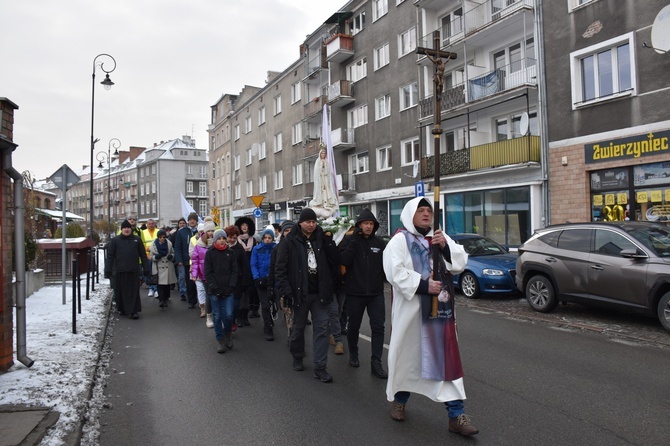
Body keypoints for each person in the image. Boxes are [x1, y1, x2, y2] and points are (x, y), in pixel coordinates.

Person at [382, 196, 478, 436]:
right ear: (409, 214)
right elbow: (394, 272)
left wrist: (444, 246)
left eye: (429, 210)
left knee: (446, 361)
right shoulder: (399, 241)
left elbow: (460, 261)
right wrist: (424, 286)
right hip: (412, 315)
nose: (426, 214)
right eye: (420, 210)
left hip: (440, 317)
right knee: (408, 359)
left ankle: (456, 415)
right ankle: (400, 401)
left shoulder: (438, 237)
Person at [275, 207, 340, 383]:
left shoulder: (321, 239)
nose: (311, 225)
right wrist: (286, 291)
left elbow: (335, 261)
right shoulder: (290, 241)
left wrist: (329, 241)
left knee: (322, 330)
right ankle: (297, 355)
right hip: (299, 294)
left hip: (320, 294)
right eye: (307, 222)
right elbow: (280, 269)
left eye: (313, 222)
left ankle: (320, 367)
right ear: (301, 222)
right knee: (298, 328)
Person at [340, 208, 388, 378]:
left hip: (376, 294)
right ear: (359, 225)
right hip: (355, 293)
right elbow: (344, 260)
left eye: (371, 224)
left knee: (378, 327)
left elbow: (387, 266)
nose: (368, 226)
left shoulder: (380, 243)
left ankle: (376, 363)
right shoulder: (350, 240)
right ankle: (353, 354)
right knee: (353, 326)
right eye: (365, 223)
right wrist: (354, 240)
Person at [105, 219, 148, 320]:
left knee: (133, 292)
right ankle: (123, 308)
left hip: (133, 270)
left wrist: (146, 268)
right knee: (121, 291)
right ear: (121, 230)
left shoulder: (137, 239)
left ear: (131, 229)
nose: (126, 230)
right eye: (124, 228)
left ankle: (134, 311)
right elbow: (110, 256)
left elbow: (143, 255)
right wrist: (108, 270)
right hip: (120, 270)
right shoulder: (115, 241)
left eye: (128, 228)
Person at [204, 229, 238, 353]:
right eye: (219, 238)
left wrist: (231, 286)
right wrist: (214, 288)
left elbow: (235, 270)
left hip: (228, 289)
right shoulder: (210, 253)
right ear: (215, 240)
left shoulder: (230, 252)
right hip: (215, 290)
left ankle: (228, 334)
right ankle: (220, 340)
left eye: (223, 238)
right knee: (217, 316)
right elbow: (207, 272)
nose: (222, 240)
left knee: (228, 315)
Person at [268, 220, 295, 342]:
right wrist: (271, 287)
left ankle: (296, 338)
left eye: (291, 230)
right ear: (283, 233)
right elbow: (273, 268)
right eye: (286, 231)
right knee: (288, 314)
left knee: (297, 316)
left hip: (299, 286)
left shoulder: (300, 246)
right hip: (284, 286)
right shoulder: (277, 248)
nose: (289, 233)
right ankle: (291, 337)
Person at [250, 227, 277, 341]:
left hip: (274, 281)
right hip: (261, 281)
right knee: (265, 305)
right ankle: (268, 327)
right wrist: (257, 278)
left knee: (275, 303)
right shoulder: (257, 249)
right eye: (265, 238)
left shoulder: (276, 248)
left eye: (269, 238)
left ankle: (271, 317)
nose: (267, 240)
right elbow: (253, 264)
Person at [191, 220, 216, 319]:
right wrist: (194, 274)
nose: (210, 233)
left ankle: (216, 314)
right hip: (204, 274)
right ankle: (209, 315)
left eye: (212, 230)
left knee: (216, 295)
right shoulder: (199, 244)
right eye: (208, 230)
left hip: (216, 273)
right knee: (209, 294)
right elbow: (195, 260)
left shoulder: (218, 241)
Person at [234, 217, 257, 323]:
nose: (244, 227)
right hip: (239, 270)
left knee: (248, 293)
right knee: (239, 294)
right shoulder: (236, 240)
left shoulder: (253, 240)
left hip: (250, 270)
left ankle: (245, 316)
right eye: (242, 225)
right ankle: (239, 317)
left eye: (246, 225)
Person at [175, 212, 199, 308]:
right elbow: (178, 247)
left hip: (199, 261)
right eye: (190, 219)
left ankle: (201, 301)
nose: (192, 221)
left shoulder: (200, 231)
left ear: (196, 221)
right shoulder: (182, 232)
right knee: (189, 282)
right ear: (188, 221)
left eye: (194, 219)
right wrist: (179, 260)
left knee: (199, 282)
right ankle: (191, 301)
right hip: (187, 261)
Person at [224, 225, 245, 331]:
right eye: (230, 237)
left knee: (236, 305)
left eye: (234, 238)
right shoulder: (222, 247)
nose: (232, 240)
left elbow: (244, 265)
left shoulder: (239, 249)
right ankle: (228, 323)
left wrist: (245, 281)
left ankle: (233, 320)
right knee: (227, 305)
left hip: (237, 280)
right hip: (224, 280)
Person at [149, 229, 177, 308]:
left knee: (167, 284)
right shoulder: (153, 245)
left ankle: (166, 297)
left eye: (164, 237)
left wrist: (171, 256)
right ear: (158, 237)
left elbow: (173, 252)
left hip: (168, 265)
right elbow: (150, 257)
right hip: (159, 266)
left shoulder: (169, 244)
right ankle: (161, 300)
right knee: (160, 284)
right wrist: (155, 257)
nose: (162, 238)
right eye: (160, 237)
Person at [309, 148, 338, 218]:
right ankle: (320, 204)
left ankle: (327, 204)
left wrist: (325, 171)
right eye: (322, 153)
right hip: (320, 180)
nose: (323, 155)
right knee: (321, 192)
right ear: (320, 154)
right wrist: (320, 169)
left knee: (327, 192)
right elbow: (316, 172)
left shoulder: (326, 161)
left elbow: (328, 172)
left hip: (325, 179)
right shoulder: (318, 161)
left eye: (324, 153)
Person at [142, 219, 160, 298]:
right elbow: (142, 243)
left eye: (152, 223)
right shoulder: (143, 232)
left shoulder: (158, 231)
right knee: (148, 273)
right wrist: (146, 250)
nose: (151, 225)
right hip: (147, 256)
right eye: (149, 224)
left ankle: (156, 289)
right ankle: (150, 289)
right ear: (147, 225)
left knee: (156, 273)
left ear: (154, 224)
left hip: (156, 256)